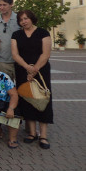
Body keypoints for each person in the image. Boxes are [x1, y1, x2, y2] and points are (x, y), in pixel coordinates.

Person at [11, 10, 53, 149]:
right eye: (21, 19)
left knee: (41, 99)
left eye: (26, 18)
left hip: (41, 71)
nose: (24, 21)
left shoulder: (43, 33)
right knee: (27, 99)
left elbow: (45, 54)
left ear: (32, 19)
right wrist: (27, 68)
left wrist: (34, 69)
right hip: (23, 70)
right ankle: (32, 133)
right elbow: (15, 54)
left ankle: (43, 135)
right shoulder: (16, 34)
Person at [0, 0, 20, 81]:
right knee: (5, 89)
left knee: (21, 89)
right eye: (0, 5)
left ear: (11, 5)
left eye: (4, 5)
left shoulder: (19, 19)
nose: (2, 7)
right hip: (2, 61)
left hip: (19, 61)